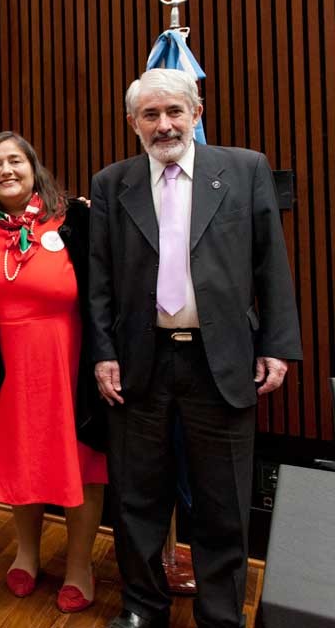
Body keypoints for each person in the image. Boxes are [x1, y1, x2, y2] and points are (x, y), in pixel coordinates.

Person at [89, 69, 302, 628]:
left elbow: (270, 265)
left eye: (174, 112)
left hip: (222, 361)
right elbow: (101, 280)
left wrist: (277, 345)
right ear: (132, 122)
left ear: (197, 112)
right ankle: (142, 606)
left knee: (222, 503)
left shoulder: (244, 169)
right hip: (140, 361)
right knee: (137, 499)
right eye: (151, 115)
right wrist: (102, 351)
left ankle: (219, 614)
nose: (164, 125)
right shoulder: (113, 183)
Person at [0, 132, 108, 613]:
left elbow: (105, 290)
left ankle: (80, 564)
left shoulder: (75, 218)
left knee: (79, 464)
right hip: (9, 370)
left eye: (15, 160)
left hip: (70, 364)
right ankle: (27, 552)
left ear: (33, 166)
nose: (6, 170)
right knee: (24, 460)